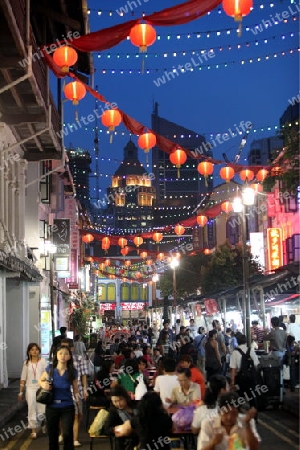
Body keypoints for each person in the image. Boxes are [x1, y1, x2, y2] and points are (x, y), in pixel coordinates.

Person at [39, 345, 79, 450]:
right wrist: (44, 385)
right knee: (52, 435)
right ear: (56, 355)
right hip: (52, 406)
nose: (63, 356)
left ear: (69, 357)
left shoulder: (72, 372)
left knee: (67, 434)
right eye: (60, 353)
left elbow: (75, 390)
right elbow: (40, 380)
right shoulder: (50, 369)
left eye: (66, 354)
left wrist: (79, 406)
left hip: (67, 406)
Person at [19, 343, 47, 439]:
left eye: (36, 349)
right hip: (30, 388)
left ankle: (43, 423)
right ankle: (33, 430)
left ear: (39, 351)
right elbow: (23, 377)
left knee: (42, 409)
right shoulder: (26, 363)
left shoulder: (43, 361)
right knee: (31, 408)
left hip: (41, 387)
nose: (34, 351)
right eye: (32, 350)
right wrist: (21, 392)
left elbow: (46, 374)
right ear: (29, 352)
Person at [104, 385, 139, 450]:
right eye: (114, 401)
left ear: (125, 397)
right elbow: (107, 429)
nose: (118, 403)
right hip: (124, 442)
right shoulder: (114, 411)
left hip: (139, 439)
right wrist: (120, 429)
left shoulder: (135, 405)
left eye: (120, 400)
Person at [229, 333, 259, 410]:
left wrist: (232, 382)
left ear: (237, 341)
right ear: (245, 341)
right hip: (251, 379)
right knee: (253, 398)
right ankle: (254, 417)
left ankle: (237, 416)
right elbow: (256, 364)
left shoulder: (235, 352)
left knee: (238, 399)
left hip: (240, 379)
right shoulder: (251, 350)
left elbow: (233, 369)